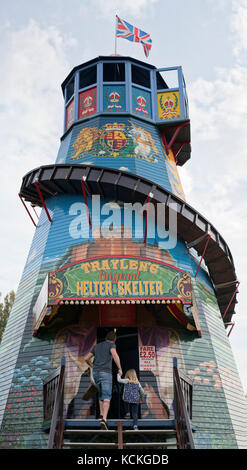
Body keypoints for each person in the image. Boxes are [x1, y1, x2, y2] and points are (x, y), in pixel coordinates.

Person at [84, 331, 122, 430]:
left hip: (96, 373)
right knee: (107, 396)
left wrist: (92, 366)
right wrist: (120, 368)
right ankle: (104, 419)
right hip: (106, 373)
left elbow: (86, 358)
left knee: (101, 394)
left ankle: (101, 415)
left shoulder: (97, 346)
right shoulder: (111, 345)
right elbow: (114, 355)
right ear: (114, 339)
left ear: (106, 338)